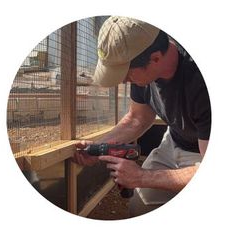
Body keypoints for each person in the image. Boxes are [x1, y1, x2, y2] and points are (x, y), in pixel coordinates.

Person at [73, 16, 211, 217]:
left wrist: (142, 176)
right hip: (174, 139)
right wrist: (98, 146)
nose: (123, 81)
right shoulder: (144, 77)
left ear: (155, 58)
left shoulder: (201, 84)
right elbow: (137, 118)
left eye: (126, 74)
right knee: (141, 207)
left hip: (201, 153)